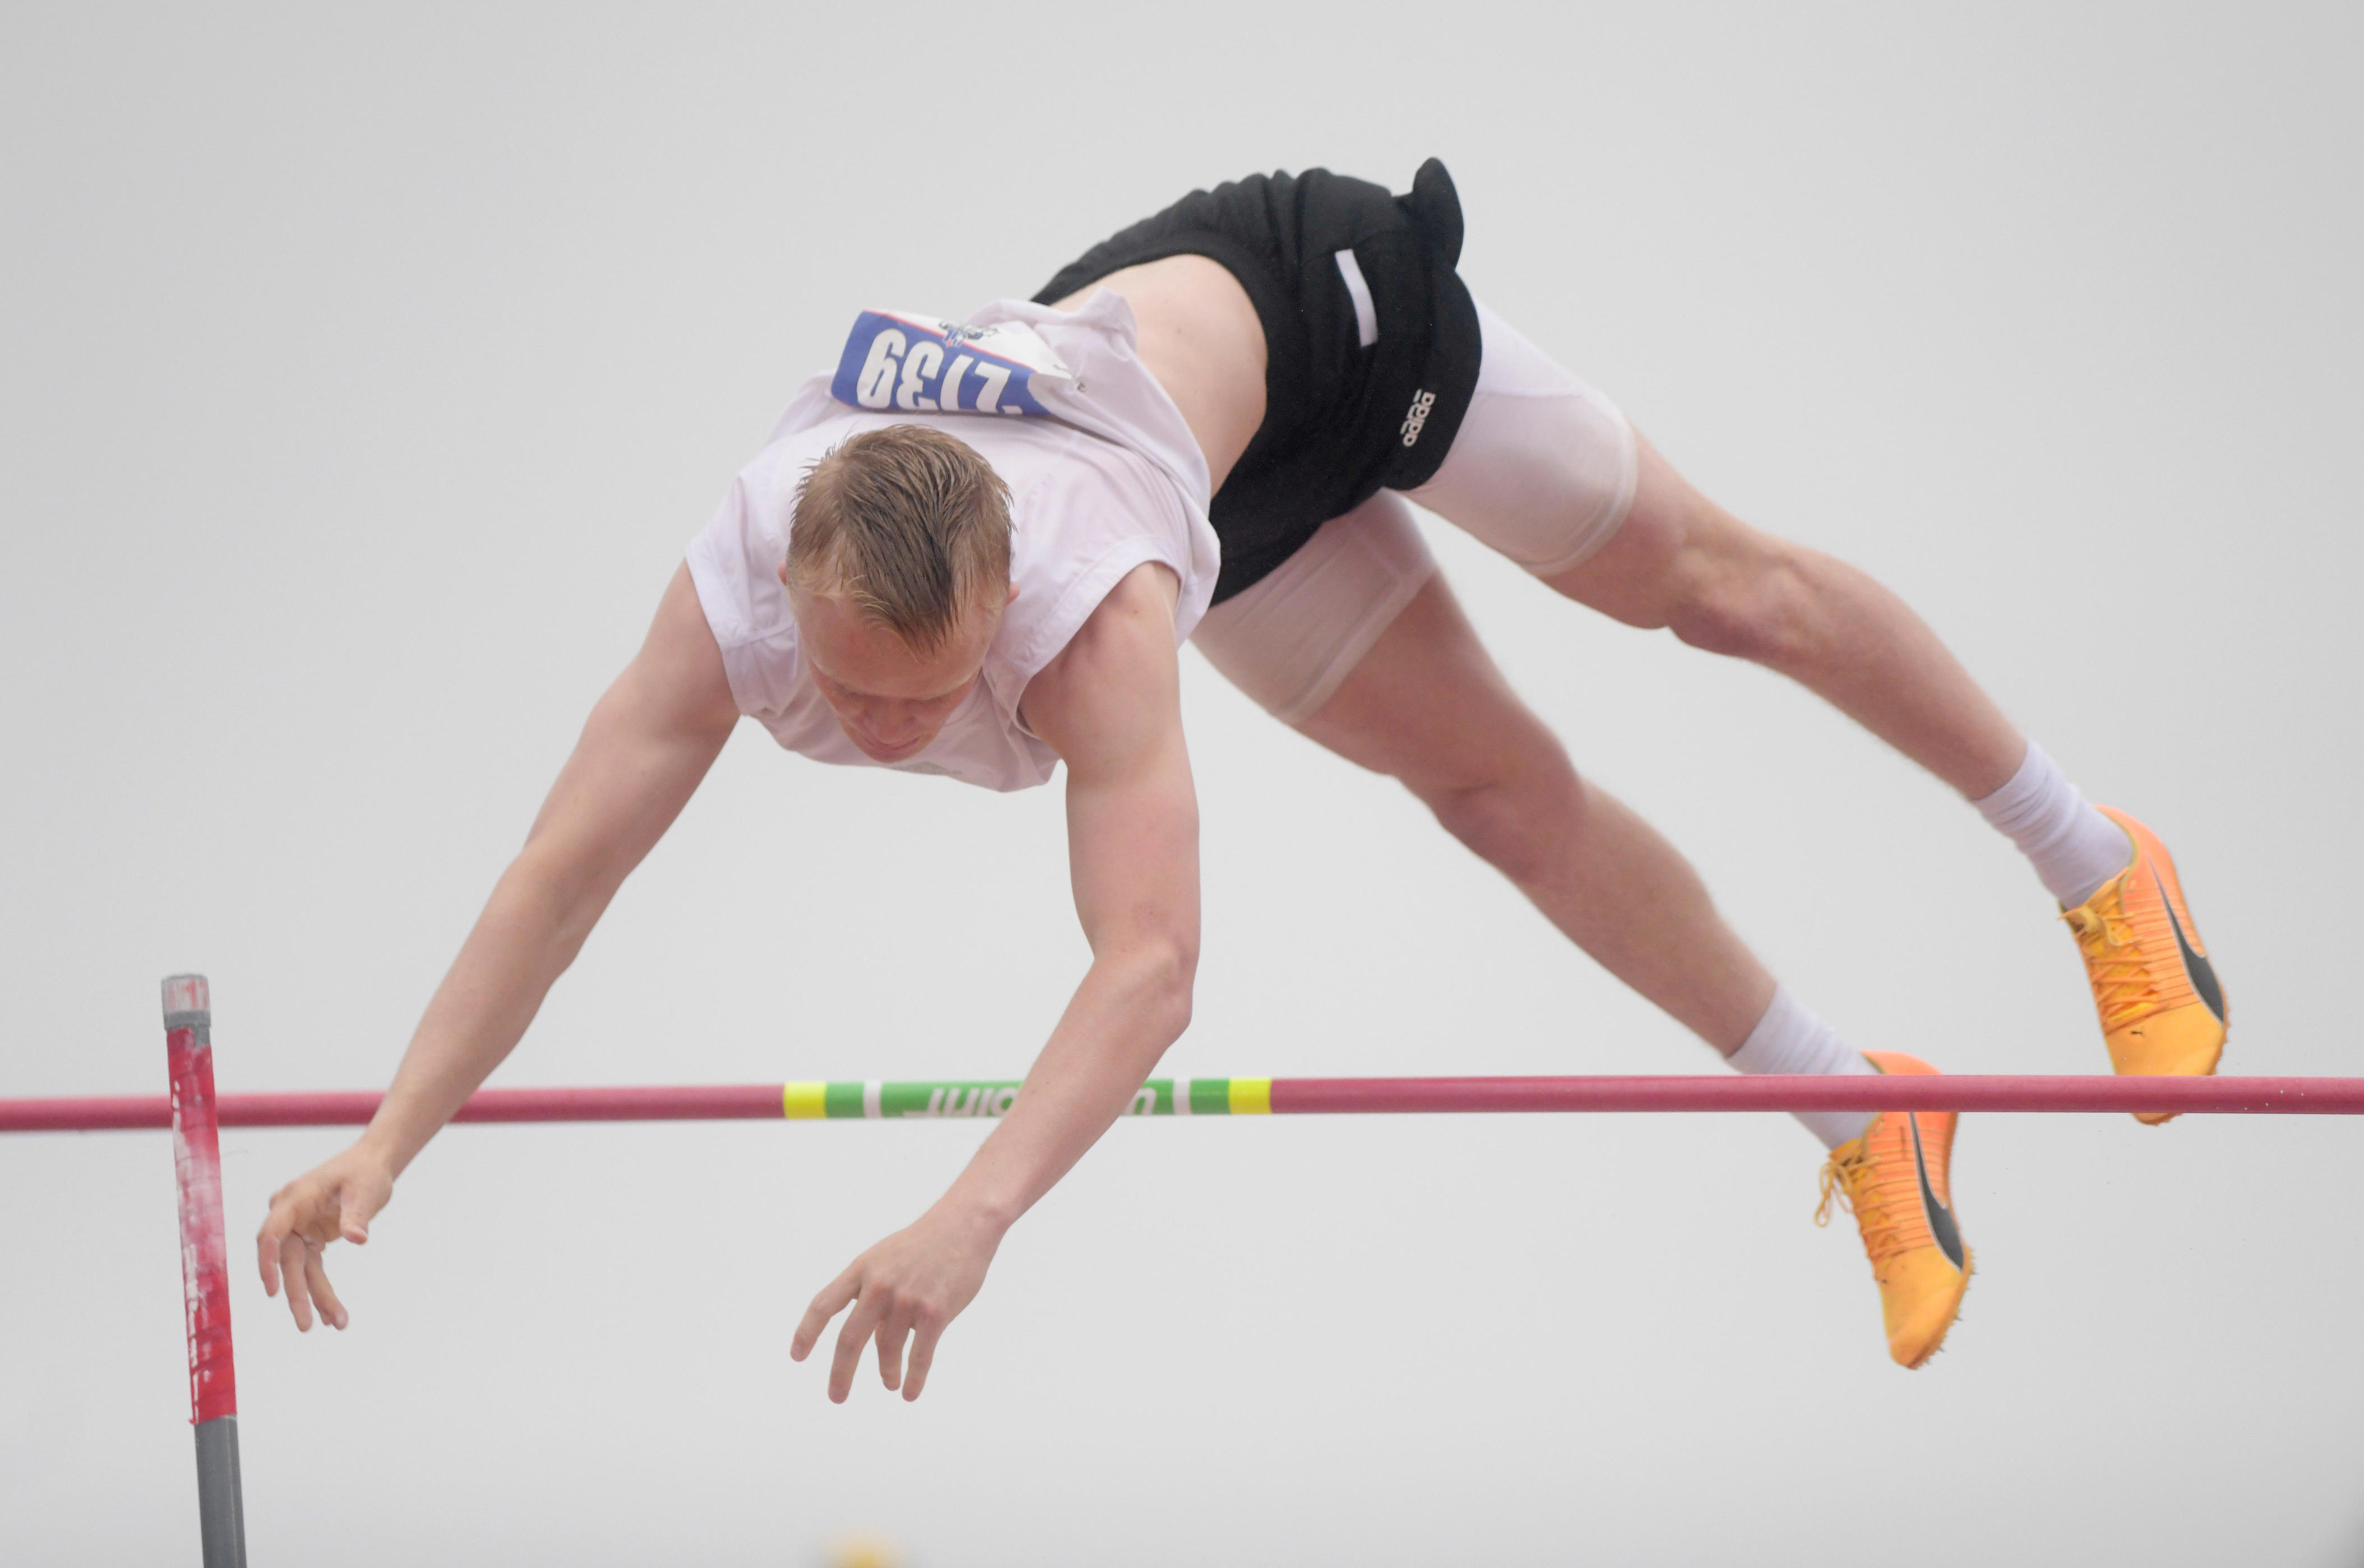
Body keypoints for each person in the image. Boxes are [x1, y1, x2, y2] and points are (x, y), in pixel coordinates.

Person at [256, 161, 2227, 1387]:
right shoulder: (736, 581)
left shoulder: (1097, 619)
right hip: (1193, 461)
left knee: (1715, 593)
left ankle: (2090, 860)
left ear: (1003, 608)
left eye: (920, 696)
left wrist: (973, 1216)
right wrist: (390, 1137)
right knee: (1498, 800)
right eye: (847, 695)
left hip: (1316, 314)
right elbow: (560, 871)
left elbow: (1149, 969)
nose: (877, 733)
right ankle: (1862, 1113)